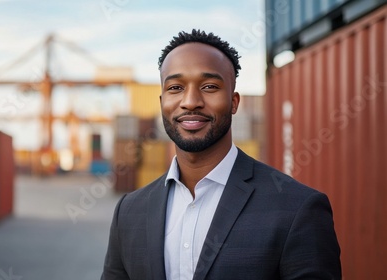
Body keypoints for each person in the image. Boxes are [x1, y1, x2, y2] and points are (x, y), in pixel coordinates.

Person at [101, 29, 341, 280]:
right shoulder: (129, 212)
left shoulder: (297, 208)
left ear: (234, 101)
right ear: (162, 101)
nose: (190, 101)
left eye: (209, 86)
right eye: (175, 87)